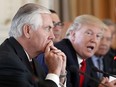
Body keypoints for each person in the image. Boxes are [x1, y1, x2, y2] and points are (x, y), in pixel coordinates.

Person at [0, 3, 66, 87]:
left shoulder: (31, 59)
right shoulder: (8, 63)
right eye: (47, 28)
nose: (52, 36)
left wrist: (60, 75)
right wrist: (53, 72)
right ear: (28, 31)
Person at [54, 15, 108, 87]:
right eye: (89, 33)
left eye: (98, 36)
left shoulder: (85, 60)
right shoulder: (61, 54)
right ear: (73, 35)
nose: (94, 40)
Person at [36, 9, 64, 74]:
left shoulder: (61, 53)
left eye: (59, 24)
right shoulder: (37, 54)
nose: (57, 29)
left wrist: (62, 74)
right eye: (52, 24)